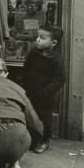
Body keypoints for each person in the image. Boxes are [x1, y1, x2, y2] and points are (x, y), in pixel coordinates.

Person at [23, 25, 65, 154]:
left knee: (45, 118)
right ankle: (32, 139)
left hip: (46, 96)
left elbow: (60, 79)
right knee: (30, 115)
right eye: (37, 37)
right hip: (31, 91)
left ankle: (44, 140)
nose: (38, 40)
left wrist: (46, 92)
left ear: (53, 43)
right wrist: (25, 85)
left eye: (42, 38)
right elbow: (26, 68)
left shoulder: (56, 59)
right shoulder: (33, 53)